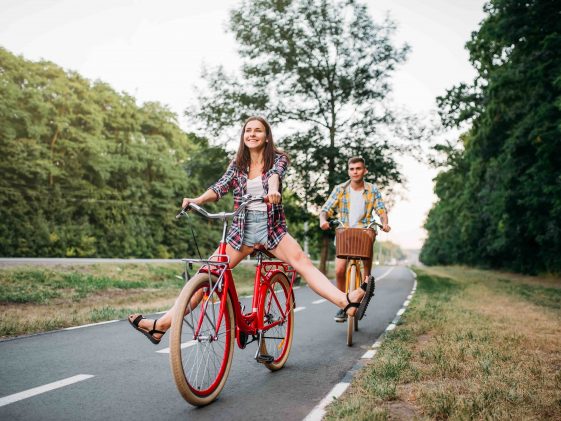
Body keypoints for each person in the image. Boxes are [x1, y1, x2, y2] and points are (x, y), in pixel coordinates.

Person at [128, 117, 375, 344]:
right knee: (205, 278)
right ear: (243, 136)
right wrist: (198, 200)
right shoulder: (237, 164)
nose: (252, 134)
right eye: (248, 130)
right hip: (241, 232)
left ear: (267, 136)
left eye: (258, 130)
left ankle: (347, 302)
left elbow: (275, 176)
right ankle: (160, 326)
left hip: (272, 230)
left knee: (303, 264)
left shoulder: (278, 158)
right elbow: (220, 187)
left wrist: (273, 192)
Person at [319, 156, 391, 323]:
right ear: (348, 171)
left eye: (358, 168)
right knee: (339, 270)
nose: (355, 172)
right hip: (345, 231)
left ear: (364, 171)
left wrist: (385, 223)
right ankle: (344, 301)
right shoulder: (340, 189)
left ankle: (366, 286)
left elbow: (381, 210)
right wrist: (323, 220)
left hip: (364, 230)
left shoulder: (372, 189)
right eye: (352, 169)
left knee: (367, 260)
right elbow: (326, 209)